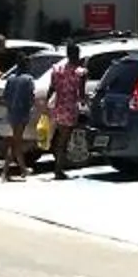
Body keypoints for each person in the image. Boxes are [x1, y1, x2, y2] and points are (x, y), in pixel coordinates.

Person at [46, 42, 89, 178]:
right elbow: (81, 94)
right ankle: (58, 169)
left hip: (58, 106)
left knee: (61, 138)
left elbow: (51, 88)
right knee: (64, 141)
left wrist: (47, 105)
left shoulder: (57, 69)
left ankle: (59, 167)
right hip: (70, 108)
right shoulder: (80, 72)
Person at [0, 49, 40, 181]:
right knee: (16, 143)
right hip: (22, 113)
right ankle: (6, 172)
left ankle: (22, 169)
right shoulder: (28, 80)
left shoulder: (11, 79)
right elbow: (31, 98)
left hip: (11, 113)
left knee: (16, 141)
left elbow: (4, 97)